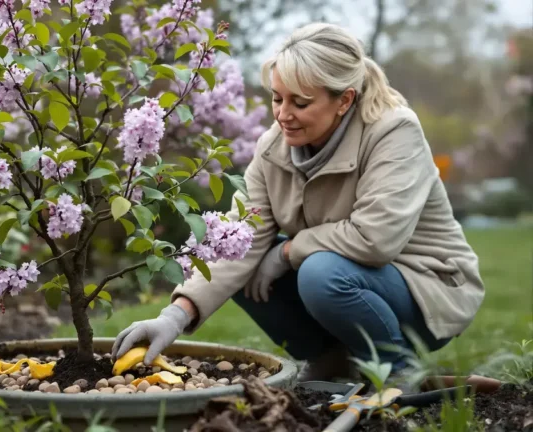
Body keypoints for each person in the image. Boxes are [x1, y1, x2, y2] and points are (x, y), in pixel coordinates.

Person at [111, 22, 485, 383]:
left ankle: (398, 370)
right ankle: (329, 362)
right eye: (277, 98)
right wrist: (174, 317)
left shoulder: (393, 131)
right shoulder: (274, 149)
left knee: (320, 273)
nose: (283, 115)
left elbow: (376, 238)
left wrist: (287, 252)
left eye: (300, 103)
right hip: (345, 278)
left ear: (344, 100)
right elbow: (238, 237)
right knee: (243, 252)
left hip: (425, 285)